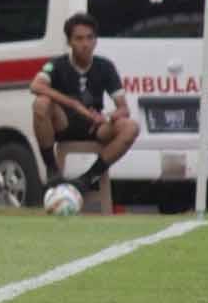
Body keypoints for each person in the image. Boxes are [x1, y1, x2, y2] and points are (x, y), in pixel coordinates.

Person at [31, 12, 139, 191]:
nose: (85, 44)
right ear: (69, 42)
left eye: (90, 38)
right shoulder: (57, 64)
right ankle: (52, 169)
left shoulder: (105, 66)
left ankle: (89, 178)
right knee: (41, 103)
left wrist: (105, 117)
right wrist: (74, 104)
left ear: (96, 40)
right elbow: (36, 86)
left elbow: (123, 109)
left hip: (95, 127)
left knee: (131, 127)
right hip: (62, 124)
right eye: (79, 39)